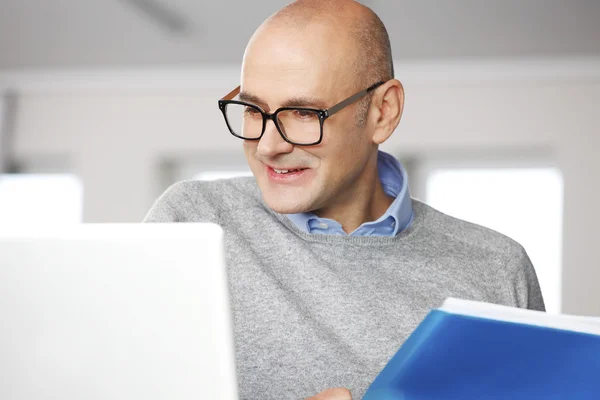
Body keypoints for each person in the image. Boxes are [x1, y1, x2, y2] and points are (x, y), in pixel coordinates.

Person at [144, 0, 545, 399]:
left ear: (382, 112)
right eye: (252, 109)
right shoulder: (191, 222)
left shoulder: (496, 269)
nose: (267, 146)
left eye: (302, 113)